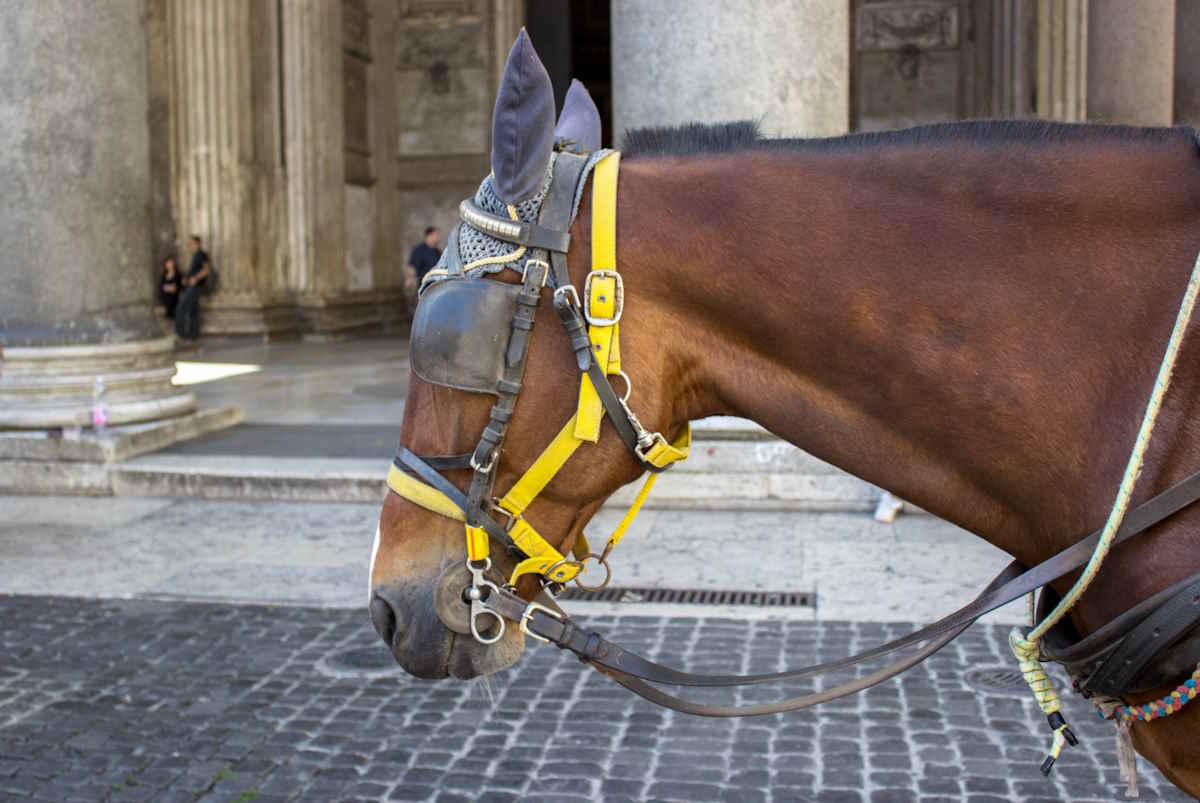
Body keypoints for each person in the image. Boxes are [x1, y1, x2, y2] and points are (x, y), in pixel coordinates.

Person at [175, 235, 210, 340]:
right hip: (192, 285)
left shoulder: (201, 254)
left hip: (195, 287)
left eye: (191, 243)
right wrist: (187, 279)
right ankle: (193, 335)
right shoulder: (195, 255)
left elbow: (206, 270)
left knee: (181, 308)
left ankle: (181, 334)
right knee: (193, 311)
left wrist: (195, 278)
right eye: (189, 244)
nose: (190, 245)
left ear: (197, 243)